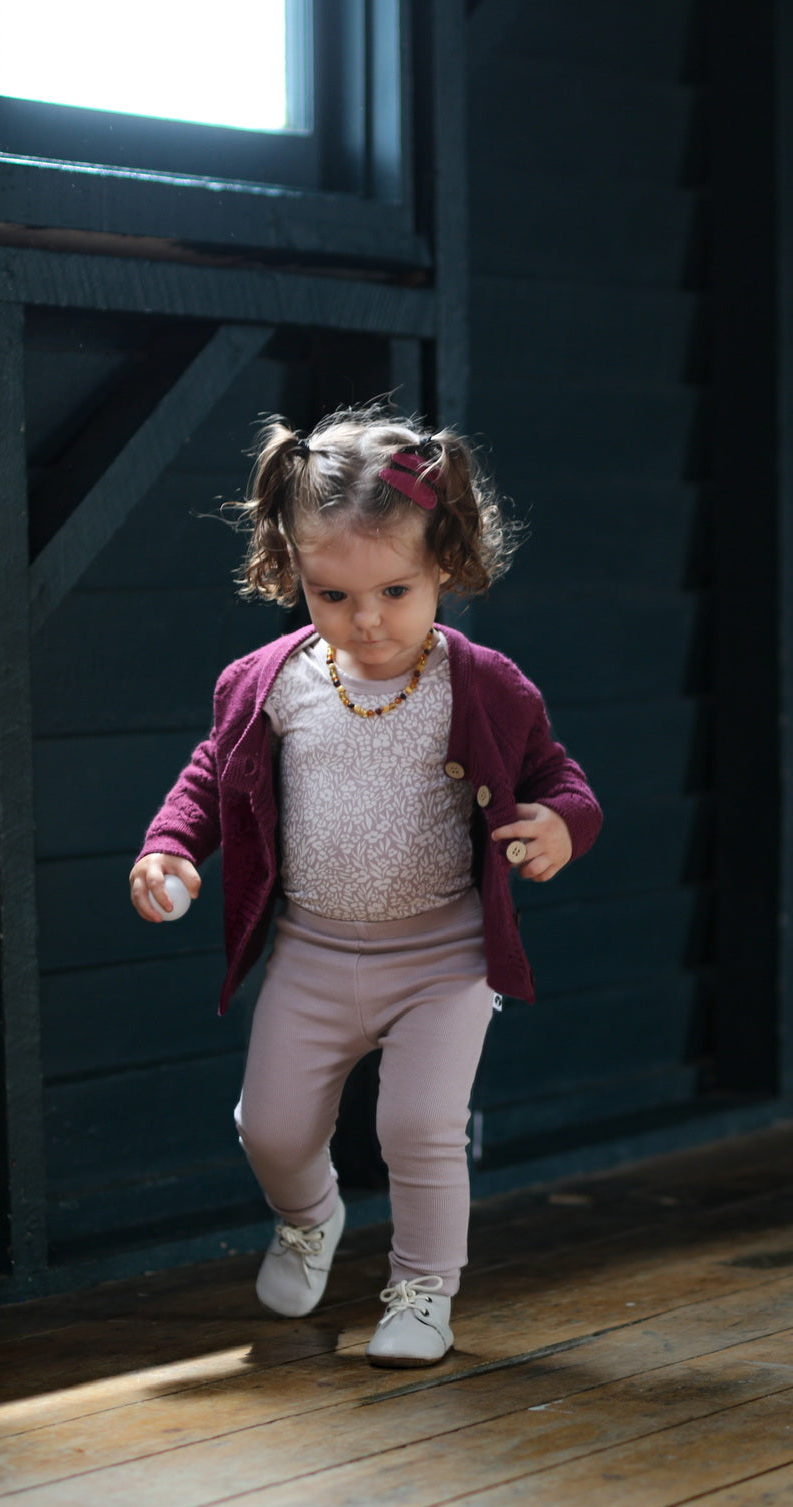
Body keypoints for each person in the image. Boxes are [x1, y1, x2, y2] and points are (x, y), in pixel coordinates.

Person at [129, 404, 602, 1368]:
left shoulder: (484, 684)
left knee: (419, 1124)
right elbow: (208, 780)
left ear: (444, 567)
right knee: (270, 1127)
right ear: (293, 573)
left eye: (395, 589)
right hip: (312, 949)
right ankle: (309, 1219)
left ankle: (424, 1292)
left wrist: (562, 825)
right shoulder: (272, 682)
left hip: (443, 953)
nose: (368, 620)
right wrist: (171, 846)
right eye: (332, 594)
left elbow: (558, 777)